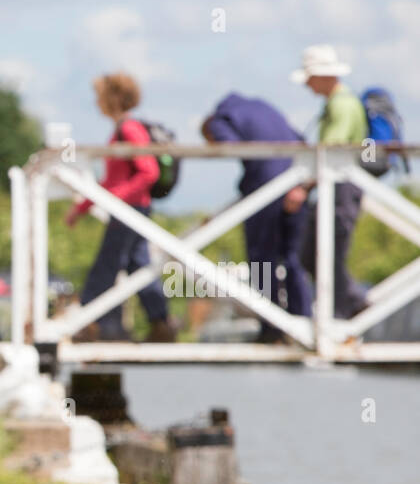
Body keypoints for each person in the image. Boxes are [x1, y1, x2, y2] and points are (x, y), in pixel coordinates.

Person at [66, 73, 175, 342]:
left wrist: (115, 198)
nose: (96, 102)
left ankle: (88, 322)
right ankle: (160, 324)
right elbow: (112, 180)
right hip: (132, 207)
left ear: (111, 98)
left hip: (129, 210)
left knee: (106, 265)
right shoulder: (124, 128)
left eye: (99, 96)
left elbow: (147, 172)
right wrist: (84, 207)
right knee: (139, 267)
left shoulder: (128, 129)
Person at [201, 93, 312, 341]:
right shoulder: (266, 106)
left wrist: (245, 184)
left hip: (266, 188)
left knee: (262, 260)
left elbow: (232, 147)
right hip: (297, 184)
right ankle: (303, 322)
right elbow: (301, 141)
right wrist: (302, 186)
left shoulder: (221, 120)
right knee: (293, 259)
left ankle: (272, 324)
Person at [284, 45, 370, 319]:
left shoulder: (342, 104)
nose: (308, 85)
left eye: (310, 78)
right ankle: (349, 309)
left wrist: (304, 186)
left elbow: (331, 150)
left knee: (327, 253)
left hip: (342, 188)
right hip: (335, 187)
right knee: (315, 253)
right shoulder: (337, 103)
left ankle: (352, 309)